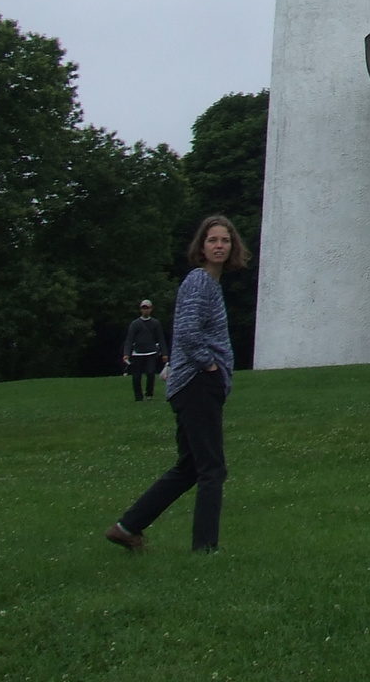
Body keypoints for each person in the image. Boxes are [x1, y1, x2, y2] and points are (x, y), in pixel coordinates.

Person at [106, 215, 245, 553]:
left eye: (225, 241)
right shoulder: (199, 281)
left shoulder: (211, 284)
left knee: (189, 468)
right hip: (197, 382)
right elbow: (186, 331)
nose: (219, 246)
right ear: (201, 246)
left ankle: (127, 527)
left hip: (195, 383)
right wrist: (210, 365)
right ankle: (205, 549)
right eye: (212, 240)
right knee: (213, 468)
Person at [122, 299, 168, 402]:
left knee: (151, 373)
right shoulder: (135, 324)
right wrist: (126, 353)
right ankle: (138, 397)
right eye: (143, 308)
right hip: (137, 353)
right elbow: (129, 339)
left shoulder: (155, 323)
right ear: (140, 310)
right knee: (136, 376)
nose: (145, 310)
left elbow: (161, 339)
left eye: (147, 308)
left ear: (151, 309)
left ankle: (149, 394)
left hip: (151, 352)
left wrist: (164, 353)